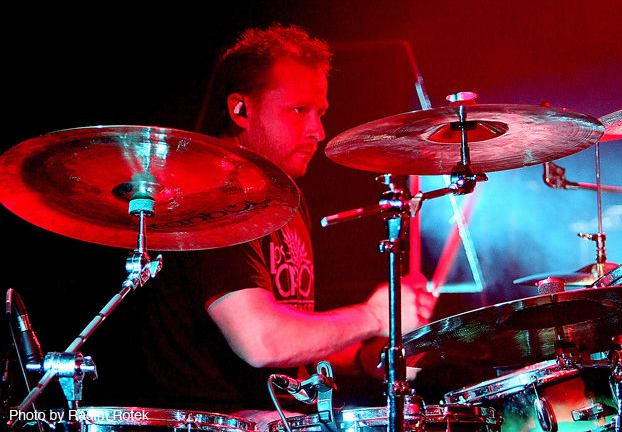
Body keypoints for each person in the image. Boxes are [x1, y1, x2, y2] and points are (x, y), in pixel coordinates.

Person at [83, 23, 435, 425]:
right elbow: (262, 340)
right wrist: (374, 316)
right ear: (241, 110)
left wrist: (362, 354)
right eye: (299, 110)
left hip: (270, 412)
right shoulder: (214, 196)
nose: (318, 131)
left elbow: (290, 333)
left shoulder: (284, 197)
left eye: (320, 113)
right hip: (208, 420)